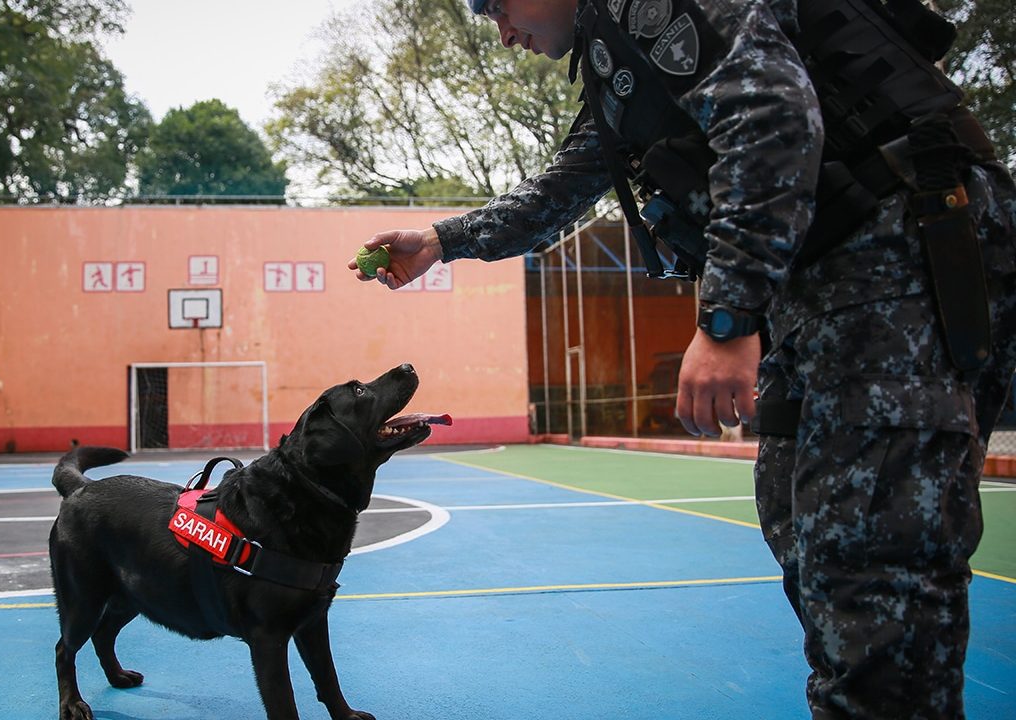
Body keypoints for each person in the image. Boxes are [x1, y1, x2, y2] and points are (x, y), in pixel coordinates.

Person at [349, 0, 1016, 717]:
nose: (501, 28)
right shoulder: (618, 54)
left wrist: (728, 316)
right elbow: (564, 187)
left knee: (870, 565)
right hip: (825, 287)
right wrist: (443, 240)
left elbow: (772, 117)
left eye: (497, 5)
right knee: (801, 522)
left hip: (898, 262)